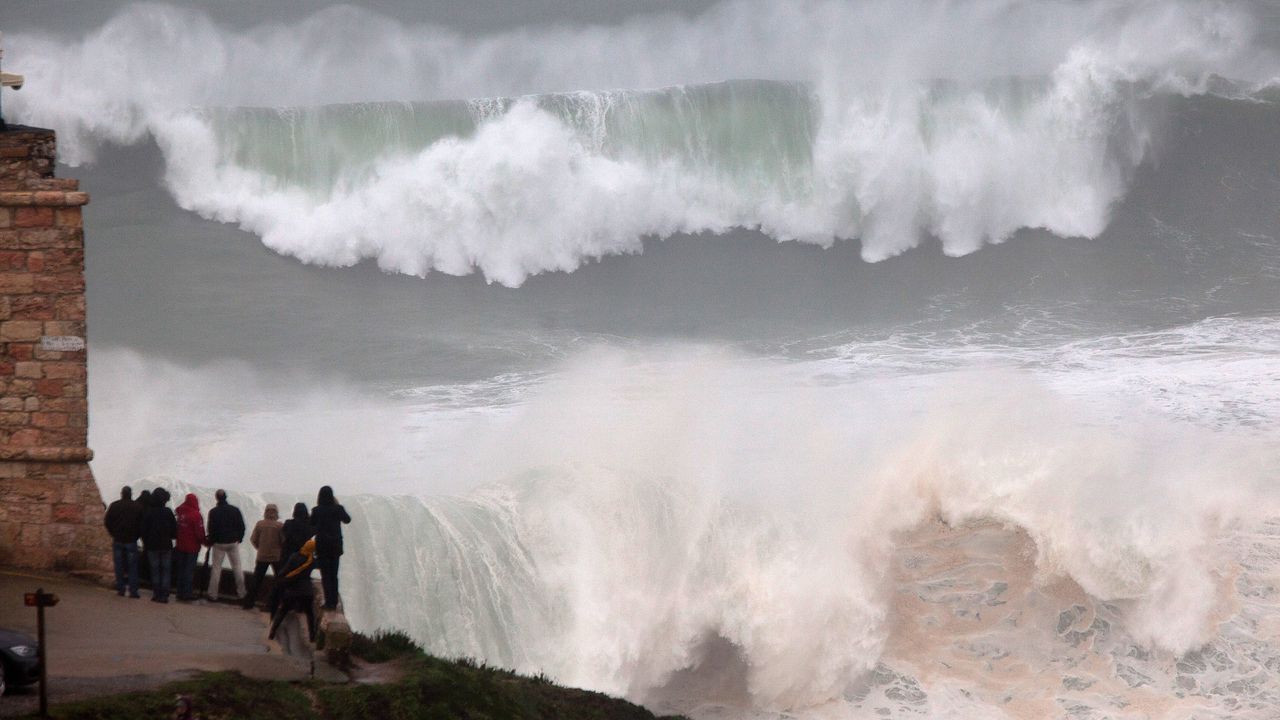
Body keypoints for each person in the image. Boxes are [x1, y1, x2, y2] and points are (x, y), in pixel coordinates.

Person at [310, 486, 351, 609]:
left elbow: (311, 524)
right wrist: (337, 505)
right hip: (335, 546)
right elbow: (347, 520)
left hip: (322, 546)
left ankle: (328, 602)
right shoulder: (338, 509)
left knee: (326, 575)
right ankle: (334, 601)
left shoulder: (316, 510)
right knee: (334, 575)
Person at [268, 538, 317, 642]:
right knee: (310, 614)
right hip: (307, 591)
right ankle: (312, 636)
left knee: (283, 611)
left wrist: (281, 578)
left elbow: (285, 570)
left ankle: (272, 632)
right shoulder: (311, 560)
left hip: (293, 590)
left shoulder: (295, 556)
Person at [205, 489, 247, 600]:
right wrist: (239, 539)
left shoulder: (213, 512)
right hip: (233, 542)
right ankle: (242, 593)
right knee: (237, 567)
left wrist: (211, 541)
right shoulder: (235, 510)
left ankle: (213, 594)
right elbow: (242, 526)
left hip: (219, 543)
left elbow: (211, 529)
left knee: (216, 568)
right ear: (226, 497)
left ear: (216, 498)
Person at [103, 486, 143, 598]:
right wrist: (137, 535)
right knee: (132, 567)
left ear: (122, 494)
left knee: (119, 566)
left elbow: (107, 521)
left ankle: (120, 589)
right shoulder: (137, 507)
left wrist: (113, 533)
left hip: (118, 539)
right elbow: (141, 524)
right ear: (131, 494)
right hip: (131, 540)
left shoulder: (114, 506)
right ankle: (133, 591)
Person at [138, 488, 176, 603]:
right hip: (166, 545)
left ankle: (156, 593)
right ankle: (164, 595)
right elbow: (174, 530)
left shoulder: (149, 512)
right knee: (165, 570)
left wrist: (146, 542)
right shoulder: (168, 512)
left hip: (152, 545)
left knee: (155, 570)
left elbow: (143, 529)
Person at [243, 504, 284, 610]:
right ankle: (272, 604)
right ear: (276, 513)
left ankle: (248, 603)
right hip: (276, 557)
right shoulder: (280, 526)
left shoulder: (260, 524)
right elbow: (284, 541)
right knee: (279, 580)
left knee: (256, 580)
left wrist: (260, 548)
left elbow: (253, 539)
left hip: (262, 556)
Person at [173, 493, 206, 601]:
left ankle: (179, 592)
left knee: (180, 570)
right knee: (189, 571)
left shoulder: (180, 513)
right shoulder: (196, 515)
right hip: (192, 547)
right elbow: (199, 533)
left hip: (180, 546)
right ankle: (187, 593)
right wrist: (205, 542)